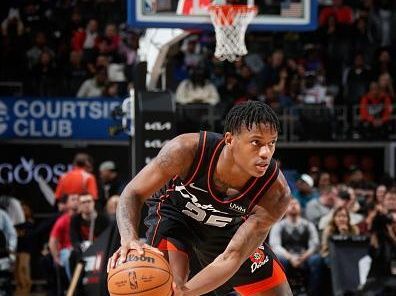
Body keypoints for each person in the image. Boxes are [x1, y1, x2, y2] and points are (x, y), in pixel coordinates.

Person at [109, 101, 293, 296]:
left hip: (227, 229)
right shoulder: (185, 150)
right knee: (161, 283)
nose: (266, 153)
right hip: (176, 214)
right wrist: (128, 238)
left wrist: (185, 293)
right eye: (256, 142)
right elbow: (132, 193)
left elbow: (232, 257)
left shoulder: (275, 193)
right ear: (230, 140)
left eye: (271, 143)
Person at [269, 199, 322, 296]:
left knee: (317, 259)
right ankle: (284, 293)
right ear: (285, 208)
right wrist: (290, 257)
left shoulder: (308, 225)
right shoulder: (279, 225)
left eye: (296, 203)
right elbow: (275, 245)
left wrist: (304, 256)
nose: (293, 205)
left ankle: (312, 293)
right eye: (290, 203)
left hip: (305, 257)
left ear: (300, 208)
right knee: (279, 259)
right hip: (287, 257)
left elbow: (315, 244)